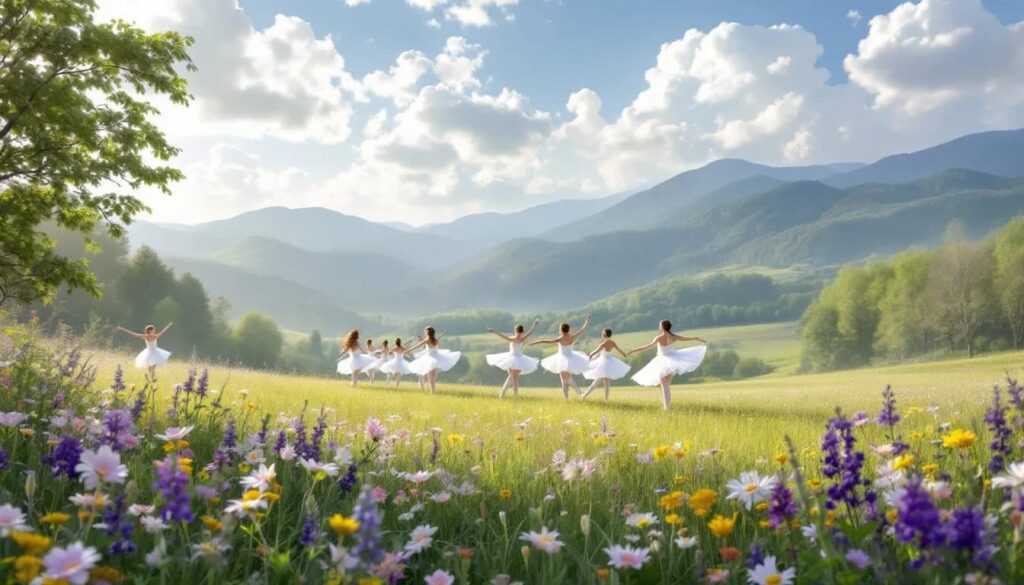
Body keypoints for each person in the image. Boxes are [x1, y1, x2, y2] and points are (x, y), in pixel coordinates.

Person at [627, 320, 707, 410]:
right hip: (673, 360)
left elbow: (646, 347)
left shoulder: (659, 338)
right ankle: (665, 406)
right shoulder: (673, 336)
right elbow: (685, 338)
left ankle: (666, 408)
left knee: (664, 386)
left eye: (660, 324)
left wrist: (633, 350)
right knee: (665, 386)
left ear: (663, 326)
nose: (659, 325)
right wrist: (695, 338)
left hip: (664, 361)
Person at [530, 314, 592, 401]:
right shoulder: (572, 337)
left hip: (562, 359)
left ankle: (578, 391)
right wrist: (588, 320)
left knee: (565, 379)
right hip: (571, 358)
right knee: (564, 379)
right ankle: (567, 398)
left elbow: (546, 341)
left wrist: (535, 342)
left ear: (561, 330)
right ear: (568, 329)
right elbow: (583, 329)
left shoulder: (560, 338)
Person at [485, 319, 540, 398]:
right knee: (514, 380)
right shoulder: (523, 338)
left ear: (515, 330)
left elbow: (503, 336)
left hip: (511, 359)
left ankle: (503, 395)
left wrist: (494, 331)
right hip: (519, 360)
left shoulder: (513, 338)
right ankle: (512, 396)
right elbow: (531, 332)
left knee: (511, 378)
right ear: (522, 331)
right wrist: (535, 324)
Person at [406, 326, 462, 395]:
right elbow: (437, 346)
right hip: (437, 358)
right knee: (432, 378)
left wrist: (408, 350)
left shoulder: (427, 339)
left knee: (430, 378)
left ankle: (432, 393)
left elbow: (418, 346)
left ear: (427, 333)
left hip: (430, 360)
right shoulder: (435, 339)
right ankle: (432, 393)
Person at [581, 328, 631, 401]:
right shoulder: (612, 343)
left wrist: (588, 356)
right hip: (610, 362)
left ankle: (585, 395)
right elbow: (620, 351)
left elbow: (595, 351)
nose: (601, 335)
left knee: (597, 381)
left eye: (602, 334)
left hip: (603, 363)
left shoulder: (603, 344)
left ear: (605, 335)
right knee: (606, 383)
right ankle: (605, 400)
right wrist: (625, 355)